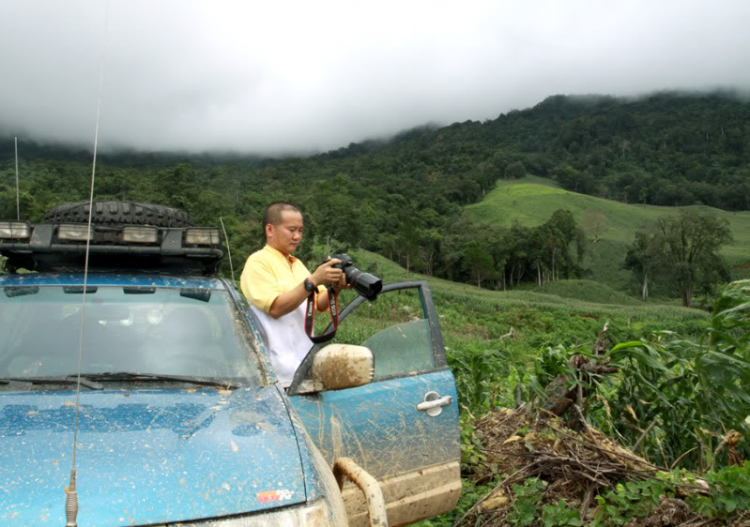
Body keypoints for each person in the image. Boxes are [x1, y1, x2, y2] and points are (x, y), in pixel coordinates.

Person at [240, 202, 346, 387]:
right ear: (270, 230)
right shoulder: (258, 262)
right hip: (274, 376)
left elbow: (320, 303)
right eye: (291, 230)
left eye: (300, 230)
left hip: (305, 369)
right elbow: (276, 308)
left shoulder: (297, 264)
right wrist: (313, 280)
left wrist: (335, 288)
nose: (297, 236)